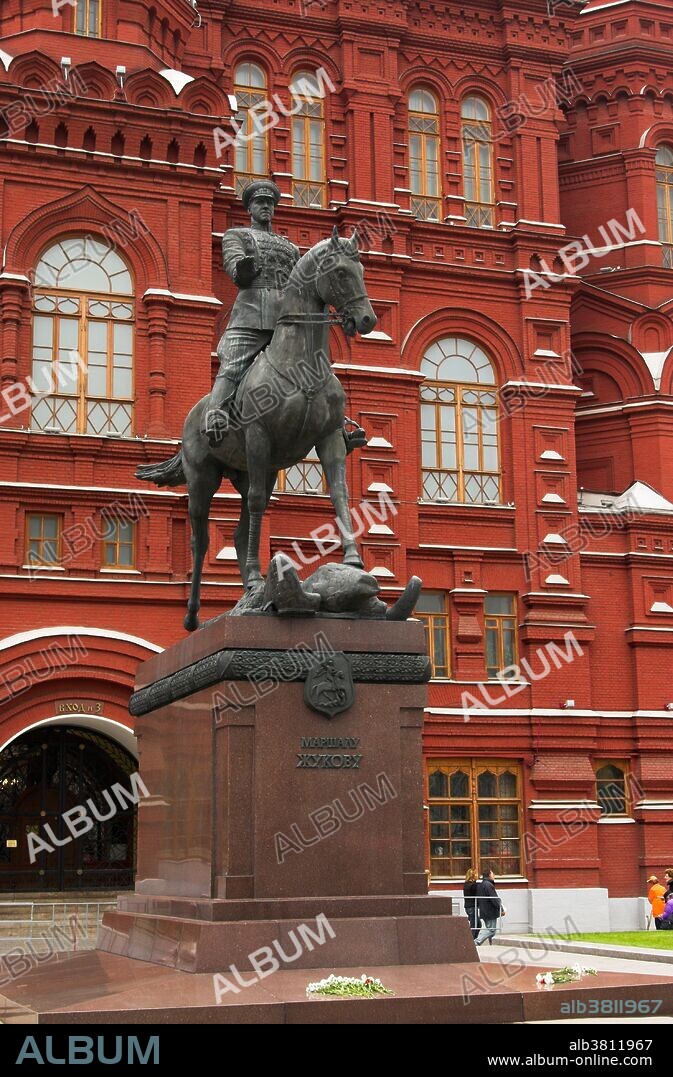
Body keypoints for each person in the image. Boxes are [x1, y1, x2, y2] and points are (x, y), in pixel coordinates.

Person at [203, 179, 300, 445]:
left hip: (285, 320)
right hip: (252, 314)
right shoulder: (238, 236)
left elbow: (300, 283)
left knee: (314, 363)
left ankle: (336, 425)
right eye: (260, 203)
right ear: (250, 208)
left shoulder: (290, 247)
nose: (266, 207)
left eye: (270, 203)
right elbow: (234, 268)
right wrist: (243, 269)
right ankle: (216, 414)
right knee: (233, 363)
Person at [475, 868, 504, 947]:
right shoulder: (489, 885)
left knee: (489, 929)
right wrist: (501, 909)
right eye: (492, 874)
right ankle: (476, 941)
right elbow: (494, 898)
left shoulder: (481, 885)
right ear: (488, 875)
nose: (494, 875)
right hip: (490, 911)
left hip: (484, 910)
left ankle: (488, 943)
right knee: (491, 930)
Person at [463, 868, 479, 940]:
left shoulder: (466, 884)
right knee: (474, 924)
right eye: (475, 874)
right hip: (472, 906)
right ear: (473, 876)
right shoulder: (472, 885)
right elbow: (476, 891)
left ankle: (474, 939)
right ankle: (471, 940)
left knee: (477, 923)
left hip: (468, 906)